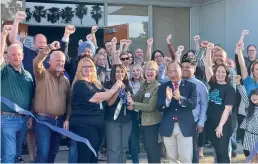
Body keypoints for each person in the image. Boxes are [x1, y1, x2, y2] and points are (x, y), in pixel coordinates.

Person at [70, 57, 122, 163]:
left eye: (90, 66)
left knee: (94, 156)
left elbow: (108, 100)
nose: (87, 68)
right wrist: (115, 86)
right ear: (79, 69)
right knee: (86, 156)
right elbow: (96, 97)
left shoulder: (95, 84)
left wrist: (117, 90)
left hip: (97, 125)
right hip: (85, 126)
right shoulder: (80, 84)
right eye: (84, 66)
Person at [33, 41, 71, 163]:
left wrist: (67, 119)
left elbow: (69, 101)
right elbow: (36, 62)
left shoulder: (66, 80)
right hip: (43, 121)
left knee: (53, 154)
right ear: (50, 61)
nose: (61, 63)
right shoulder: (42, 74)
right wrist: (49, 48)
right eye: (58, 60)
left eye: (63, 61)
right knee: (43, 153)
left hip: (59, 122)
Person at [1, 26, 34, 163]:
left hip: (23, 120)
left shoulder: (28, 75)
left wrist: (30, 116)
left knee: (16, 155)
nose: (16, 57)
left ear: (23, 56)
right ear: (7, 57)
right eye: (13, 54)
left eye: (19, 54)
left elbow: (31, 98)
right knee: (9, 155)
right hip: (7, 120)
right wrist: (3, 36)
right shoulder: (4, 71)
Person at [157, 62, 197, 163]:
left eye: (175, 71)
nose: (173, 74)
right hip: (168, 126)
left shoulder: (191, 86)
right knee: (171, 158)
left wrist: (180, 98)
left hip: (185, 126)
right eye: (170, 72)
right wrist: (168, 100)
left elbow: (193, 104)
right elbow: (159, 107)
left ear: (181, 71)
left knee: (186, 158)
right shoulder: (163, 87)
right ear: (167, 73)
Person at [204, 43, 235, 163]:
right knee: (218, 150)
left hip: (223, 124)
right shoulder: (213, 83)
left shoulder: (229, 88)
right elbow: (207, 65)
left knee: (223, 151)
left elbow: (227, 109)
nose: (220, 74)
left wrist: (220, 125)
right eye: (218, 72)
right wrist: (208, 50)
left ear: (227, 74)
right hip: (211, 121)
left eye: (223, 72)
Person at [127, 61, 162, 163]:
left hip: (152, 123)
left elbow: (150, 106)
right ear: (144, 71)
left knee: (153, 150)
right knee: (148, 149)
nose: (150, 72)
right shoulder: (144, 84)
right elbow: (137, 97)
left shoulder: (157, 86)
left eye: (152, 69)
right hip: (143, 122)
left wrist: (133, 104)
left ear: (156, 72)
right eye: (147, 69)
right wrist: (128, 96)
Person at [181, 58, 208, 163]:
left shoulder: (200, 85)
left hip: (193, 121)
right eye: (182, 67)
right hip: (178, 121)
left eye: (188, 67)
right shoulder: (176, 82)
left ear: (194, 68)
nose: (185, 69)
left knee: (193, 150)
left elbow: (204, 104)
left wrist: (201, 122)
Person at [104, 64, 132, 163]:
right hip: (112, 121)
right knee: (114, 149)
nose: (120, 74)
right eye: (117, 71)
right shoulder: (107, 85)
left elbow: (130, 106)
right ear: (113, 73)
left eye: (122, 72)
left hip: (126, 121)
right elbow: (109, 103)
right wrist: (117, 90)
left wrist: (130, 104)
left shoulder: (128, 86)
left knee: (123, 149)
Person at [128, 64, 144, 163]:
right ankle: (135, 161)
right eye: (133, 71)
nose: (135, 72)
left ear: (141, 71)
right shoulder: (128, 84)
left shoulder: (146, 83)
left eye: (137, 70)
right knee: (133, 138)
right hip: (132, 113)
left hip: (144, 113)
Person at [240, 88, 258, 163]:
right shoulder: (250, 106)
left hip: (256, 137)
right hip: (248, 135)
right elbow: (243, 95)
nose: (254, 97)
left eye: (257, 95)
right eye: (253, 95)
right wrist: (238, 85)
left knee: (253, 158)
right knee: (249, 158)